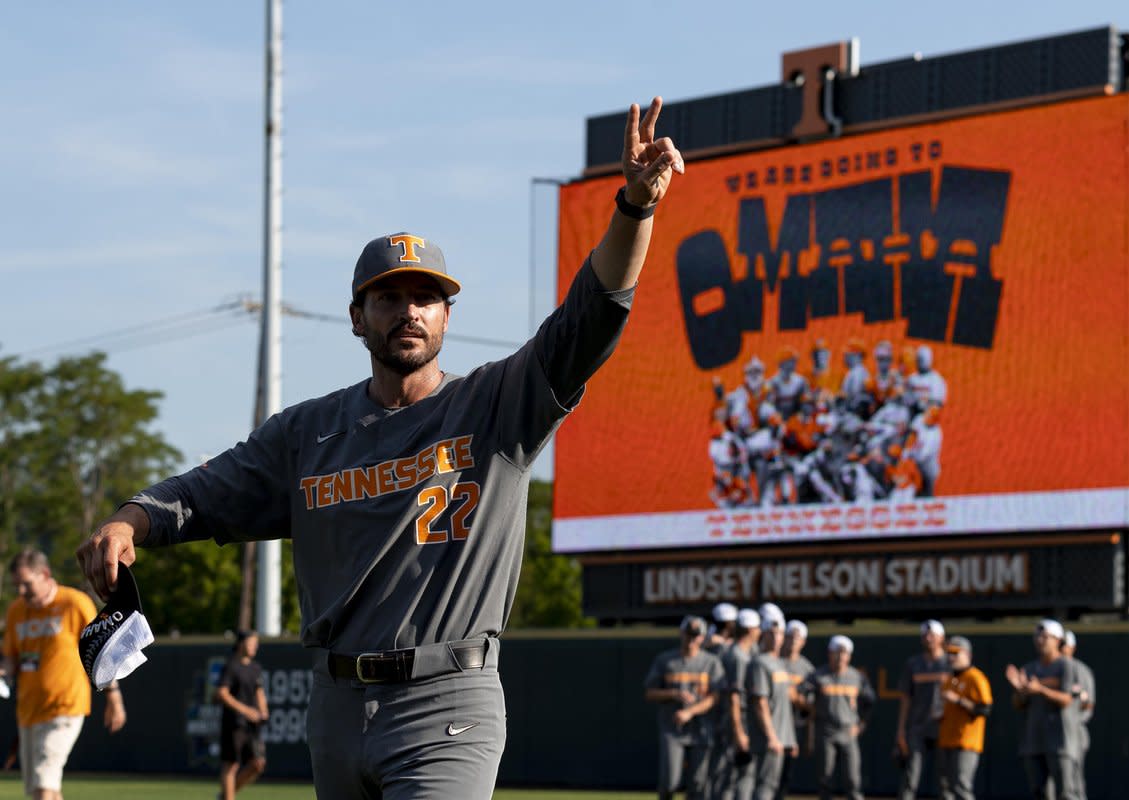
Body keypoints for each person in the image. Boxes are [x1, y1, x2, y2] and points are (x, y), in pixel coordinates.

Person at [74, 96, 686, 800]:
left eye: (426, 296)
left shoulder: (495, 404)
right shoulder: (309, 433)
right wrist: (129, 520)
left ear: (447, 315)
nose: (409, 310)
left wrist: (635, 207)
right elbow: (206, 494)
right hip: (336, 710)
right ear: (357, 317)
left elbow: (593, 314)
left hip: (447, 700)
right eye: (389, 296)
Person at [1, 549, 127, 800]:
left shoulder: (74, 603)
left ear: (45, 574)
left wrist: (114, 699)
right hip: (28, 710)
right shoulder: (16, 610)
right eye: (17, 586)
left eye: (27, 584)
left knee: (43, 786)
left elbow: (102, 652)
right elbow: (11, 659)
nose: (21, 592)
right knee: (44, 788)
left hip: (65, 707)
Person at [644, 615, 725, 800]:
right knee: (670, 781)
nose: (691, 639)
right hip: (672, 730)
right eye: (688, 634)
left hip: (702, 729)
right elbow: (649, 693)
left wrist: (689, 712)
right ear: (681, 634)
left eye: (696, 635)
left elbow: (715, 697)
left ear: (702, 637)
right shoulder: (666, 660)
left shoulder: (711, 662)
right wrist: (673, 694)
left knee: (698, 784)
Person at [1005, 619, 1083, 800]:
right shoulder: (1029, 668)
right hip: (1034, 740)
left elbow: (1067, 700)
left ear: (1057, 640)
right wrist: (1019, 690)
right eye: (1037, 636)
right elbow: (1018, 704)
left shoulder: (1067, 666)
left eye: (1045, 636)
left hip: (1061, 741)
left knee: (1066, 794)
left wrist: (1040, 689)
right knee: (1039, 793)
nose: (1040, 640)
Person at [799, 635, 875, 800]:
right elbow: (801, 695)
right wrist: (809, 707)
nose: (840, 656)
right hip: (826, 731)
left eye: (844, 653)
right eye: (837, 652)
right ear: (829, 653)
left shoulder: (857, 677)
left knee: (853, 779)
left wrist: (861, 725)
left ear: (849, 655)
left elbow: (869, 702)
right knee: (825, 779)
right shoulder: (818, 675)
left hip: (848, 731)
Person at [895, 620, 951, 800]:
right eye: (925, 635)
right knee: (911, 776)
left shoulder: (950, 662)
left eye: (932, 635)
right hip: (917, 727)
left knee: (945, 779)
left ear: (941, 638)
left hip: (944, 727)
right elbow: (905, 699)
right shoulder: (913, 664)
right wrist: (901, 731)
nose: (928, 639)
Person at [746, 616, 796, 800]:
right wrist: (772, 736)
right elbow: (760, 703)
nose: (776, 638)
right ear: (763, 635)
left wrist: (790, 739)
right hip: (768, 739)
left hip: (783, 738)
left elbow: (785, 704)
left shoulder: (780, 663)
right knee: (765, 787)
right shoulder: (759, 662)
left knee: (775, 788)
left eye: (780, 634)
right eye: (771, 634)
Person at [936, 636, 992, 800]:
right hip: (946, 739)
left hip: (966, 742)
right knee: (945, 789)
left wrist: (959, 700)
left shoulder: (975, 677)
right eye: (949, 653)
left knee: (961, 787)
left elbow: (985, 709)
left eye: (955, 653)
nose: (951, 657)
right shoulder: (949, 679)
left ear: (967, 655)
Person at [714, 608, 761, 800]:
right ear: (750, 629)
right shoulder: (737, 656)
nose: (759, 631)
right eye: (757, 627)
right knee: (733, 776)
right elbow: (734, 697)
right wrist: (739, 731)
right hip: (737, 720)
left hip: (740, 719)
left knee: (737, 776)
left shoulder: (743, 653)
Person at [216, 630, 269, 800]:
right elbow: (222, 693)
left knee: (257, 764)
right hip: (234, 723)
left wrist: (263, 710)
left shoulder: (255, 668)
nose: (255, 646)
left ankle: (225, 796)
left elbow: (259, 692)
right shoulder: (231, 666)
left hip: (252, 725)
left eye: (256, 643)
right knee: (231, 765)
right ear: (241, 644)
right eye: (251, 642)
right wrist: (246, 711)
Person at [777, 620, 814, 800]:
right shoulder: (773, 660)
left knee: (785, 776)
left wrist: (795, 697)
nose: (792, 641)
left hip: (793, 728)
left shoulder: (807, 669)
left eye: (797, 638)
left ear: (803, 642)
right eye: (789, 637)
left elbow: (810, 707)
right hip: (771, 726)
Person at [1061, 630, 1095, 799]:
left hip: (1074, 735)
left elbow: (1088, 705)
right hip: (1050, 735)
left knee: (1073, 785)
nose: (1061, 648)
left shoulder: (1080, 670)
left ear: (1072, 647)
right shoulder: (1046, 668)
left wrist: (1072, 719)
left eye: (1064, 645)